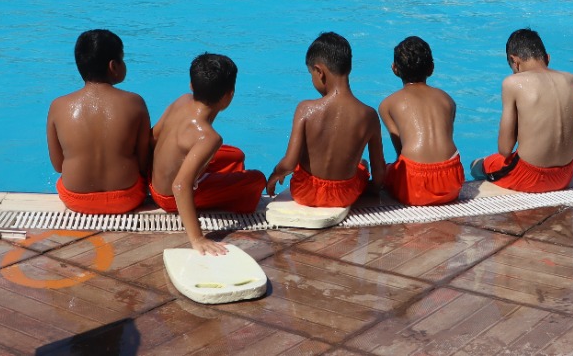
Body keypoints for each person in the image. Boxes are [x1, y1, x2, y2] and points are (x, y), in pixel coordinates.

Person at [150, 53, 267, 254]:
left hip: (154, 181)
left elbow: (153, 137)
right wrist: (197, 238)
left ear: (191, 86)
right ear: (229, 95)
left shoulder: (182, 100)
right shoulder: (208, 138)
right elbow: (180, 185)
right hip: (169, 197)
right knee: (257, 180)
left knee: (236, 156)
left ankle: (214, 180)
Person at [268, 32, 385, 208]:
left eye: (311, 74)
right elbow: (379, 174)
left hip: (304, 192)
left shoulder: (305, 109)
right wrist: (371, 189)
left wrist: (273, 177)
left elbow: (289, 164)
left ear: (319, 71)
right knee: (363, 165)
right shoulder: (369, 115)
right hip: (345, 195)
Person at [46, 29, 152, 214]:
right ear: (113, 66)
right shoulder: (135, 102)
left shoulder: (58, 106)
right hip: (127, 198)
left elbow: (57, 165)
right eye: (122, 59)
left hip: (75, 199)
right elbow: (144, 164)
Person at [471, 29, 573, 193]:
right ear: (547, 58)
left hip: (529, 177)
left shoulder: (513, 82)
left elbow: (505, 149)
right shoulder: (572, 80)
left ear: (514, 61)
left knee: (476, 166)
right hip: (565, 174)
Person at [378, 36, 463, 206]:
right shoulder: (448, 100)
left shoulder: (387, 104)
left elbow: (400, 152)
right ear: (431, 68)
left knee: (385, 171)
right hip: (451, 180)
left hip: (415, 185)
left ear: (394, 69)